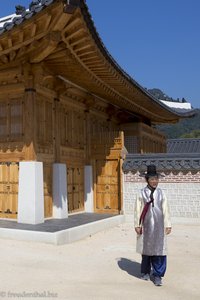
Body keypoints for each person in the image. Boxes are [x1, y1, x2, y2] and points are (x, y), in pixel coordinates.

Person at [134, 165, 172, 286]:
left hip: (159, 226)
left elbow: (166, 209)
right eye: (152, 179)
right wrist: (137, 224)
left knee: (159, 250)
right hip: (146, 226)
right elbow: (137, 210)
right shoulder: (141, 193)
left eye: (156, 179)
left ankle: (157, 275)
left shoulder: (162, 193)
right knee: (146, 250)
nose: (155, 181)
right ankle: (145, 272)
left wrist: (168, 224)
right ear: (147, 180)